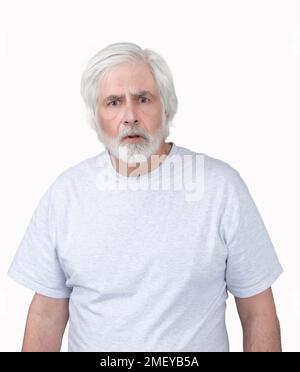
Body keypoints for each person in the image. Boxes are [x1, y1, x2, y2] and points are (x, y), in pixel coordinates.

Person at [8, 42, 283, 352]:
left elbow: (257, 312)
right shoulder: (65, 195)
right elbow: (46, 314)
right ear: (95, 116)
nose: (130, 116)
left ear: (166, 107)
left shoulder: (221, 188)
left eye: (143, 99)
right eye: (113, 102)